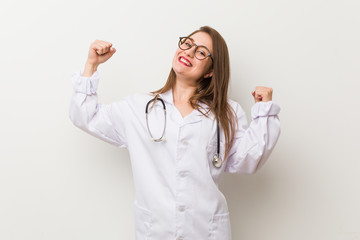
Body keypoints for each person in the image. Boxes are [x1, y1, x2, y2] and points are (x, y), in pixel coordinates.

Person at [69, 26, 281, 240]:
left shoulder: (227, 113)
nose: (188, 52)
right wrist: (91, 65)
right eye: (187, 44)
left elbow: (247, 161)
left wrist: (265, 113)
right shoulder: (138, 108)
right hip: (156, 231)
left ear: (211, 71)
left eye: (201, 52)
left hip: (206, 232)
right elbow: (86, 116)